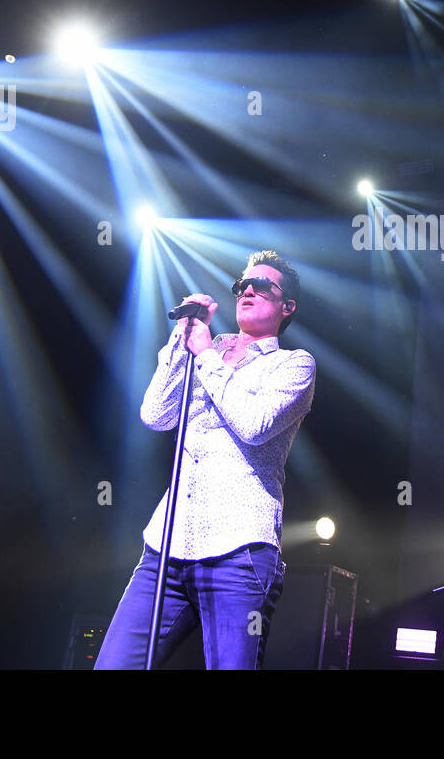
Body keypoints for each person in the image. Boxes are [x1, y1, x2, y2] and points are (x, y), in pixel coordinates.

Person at [95, 250, 315, 669]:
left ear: (287, 306)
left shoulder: (293, 365)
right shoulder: (203, 348)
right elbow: (155, 414)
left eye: (262, 286)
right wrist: (183, 339)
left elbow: (254, 425)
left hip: (239, 551)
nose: (247, 290)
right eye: (241, 286)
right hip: (167, 546)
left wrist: (208, 357)